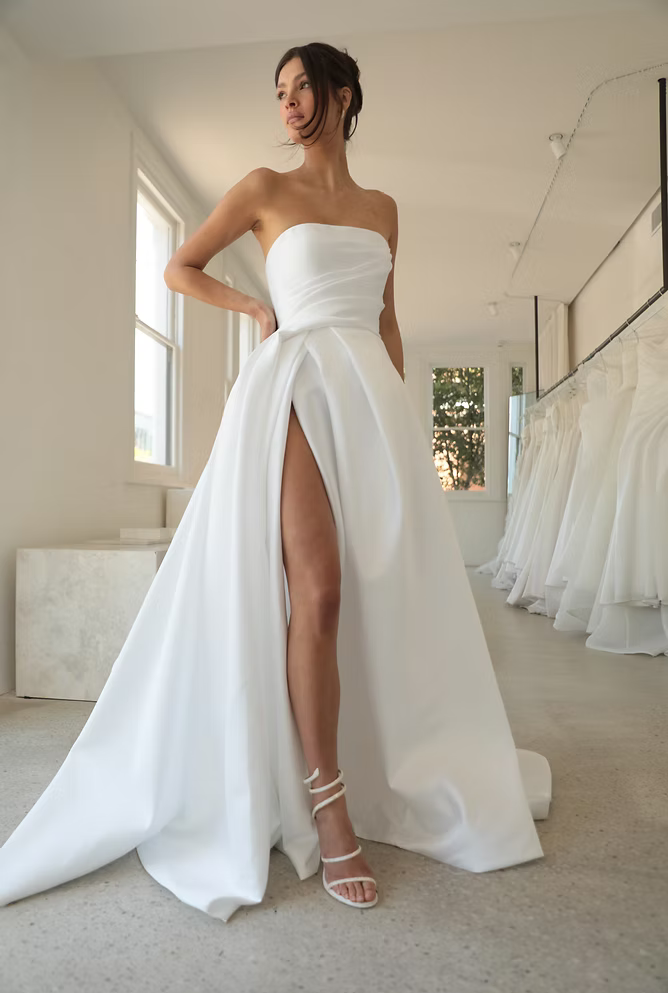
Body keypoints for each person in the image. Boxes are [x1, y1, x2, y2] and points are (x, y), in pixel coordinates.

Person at [0, 42, 546, 921]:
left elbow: (387, 321)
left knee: (370, 592)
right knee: (317, 591)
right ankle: (328, 810)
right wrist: (254, 308)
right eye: (280, 92)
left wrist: (399, 424)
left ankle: (360, 759)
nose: (289, 104)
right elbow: (181, 267)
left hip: (366, 399)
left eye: (303, 89)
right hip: (291, 386)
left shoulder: (382, 209)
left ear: (343, 95)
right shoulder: (261, 188)